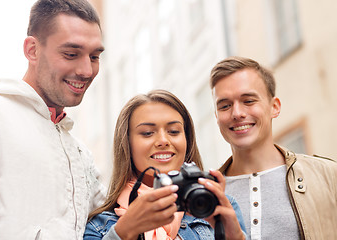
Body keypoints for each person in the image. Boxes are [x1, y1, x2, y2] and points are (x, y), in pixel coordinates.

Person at [0, 0, 106, 239]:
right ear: (32, 50)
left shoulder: (80, 154)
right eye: (71, 54)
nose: (87, 70)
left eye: (95, 56)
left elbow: (121, 216)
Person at [84, 89, 246, 240]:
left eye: (174, 131)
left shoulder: (219, 208)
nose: (163, 141)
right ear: (127, 145)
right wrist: (124, 231)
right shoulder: (99, 227)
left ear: (187, 141)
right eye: (147, 133)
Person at [209, 56, 337, 239]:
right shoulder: (207, 195)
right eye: (225, 106)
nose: (237, 113)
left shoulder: (328, 176)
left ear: (274, 107)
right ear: (216, 115)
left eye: (248, 101)